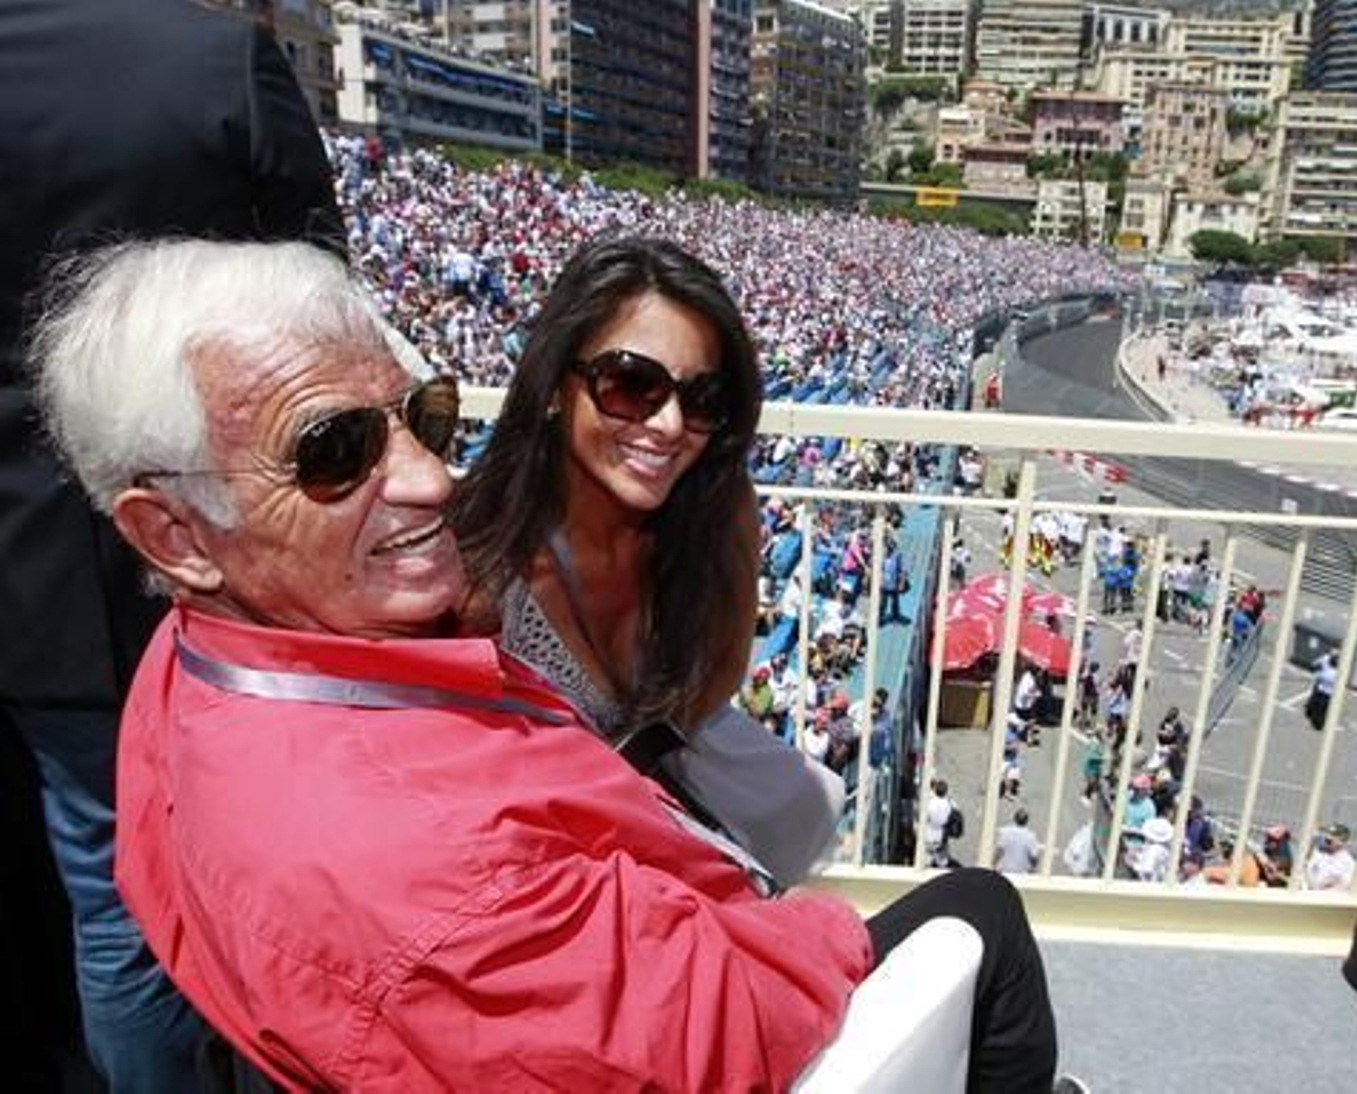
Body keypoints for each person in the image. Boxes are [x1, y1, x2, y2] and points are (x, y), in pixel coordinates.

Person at [31, 238, 1061, 1092]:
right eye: (336, 450)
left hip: (616, 888)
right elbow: (703, 1026)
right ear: (172, 533)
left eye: (422, 419)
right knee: (980, 911)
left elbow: (688, 707)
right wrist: (794, 925)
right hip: (668, 957)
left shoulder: (195, 660)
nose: (428, 478)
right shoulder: (427, 803)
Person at [0, 3, 343, 1088]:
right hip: (204, 543)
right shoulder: (212, 61)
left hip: (28, 577)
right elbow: (322, 302)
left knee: (99, 883)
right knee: (177, 887)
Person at [451, 236, 838, 887]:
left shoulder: (717, 509)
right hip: (552, 872)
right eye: (631, 384)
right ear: (554, 386)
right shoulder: (478, 581)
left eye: (702, 398)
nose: (667, 424)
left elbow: (715, 678)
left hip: (652, 824)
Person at [1303, 823, 1357, 891]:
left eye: (1331, 839)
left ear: (1341, 841)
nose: (1327, 839)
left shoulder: (1348, 862)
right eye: (1327, 837)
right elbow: (1306, 871)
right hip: (1309, 894)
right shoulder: (1318, 853)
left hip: (1329, 898)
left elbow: (1345, 885)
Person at [993, 809, 1042, 875]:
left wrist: (993, 865)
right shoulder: (1030, 836)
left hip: (1005, 870)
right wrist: (1033, 868)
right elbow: (1034, 857)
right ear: (1027, 821)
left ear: (1014, 819)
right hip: (1022, 873)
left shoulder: (1005, 832)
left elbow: (999, 851)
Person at [1305, 651, 1338, 731]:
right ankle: (1312, 712)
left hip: (1325, 693)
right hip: (1324, 691)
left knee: (1321, 707)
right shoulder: (1326, 660)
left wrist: (1316, 675)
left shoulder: (1331, 672)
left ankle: (1318, 721)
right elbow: (1314, 665)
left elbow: (1318, 675)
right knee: (1320, 706)